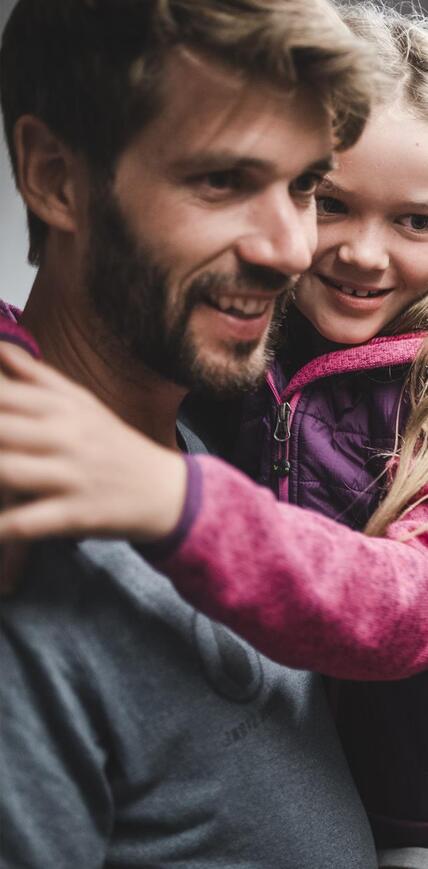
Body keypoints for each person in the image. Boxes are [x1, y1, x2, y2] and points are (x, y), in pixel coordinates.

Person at [1, 4, 426, 867]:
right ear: (54, 178)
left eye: (306, 185)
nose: (296, 246)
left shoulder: (200, 413)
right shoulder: (32, 543)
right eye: (223, 181)